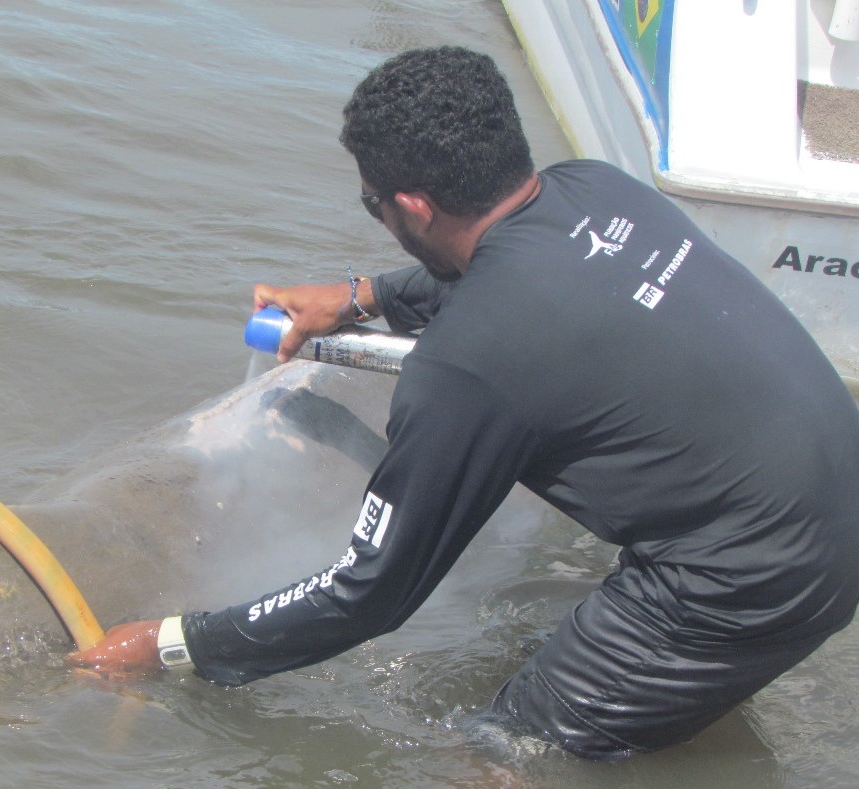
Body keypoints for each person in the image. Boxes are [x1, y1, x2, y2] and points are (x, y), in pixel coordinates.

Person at [69, 46, 859, 760]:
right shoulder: (596, 188)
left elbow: (368, 592)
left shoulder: (468, 368)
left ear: (412, 207)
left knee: (497, 749)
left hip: (747, 574)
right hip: (829, 497)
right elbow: (499, 281)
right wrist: (360, 295)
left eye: (371, 203)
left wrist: (176, 645)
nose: (375, 215)